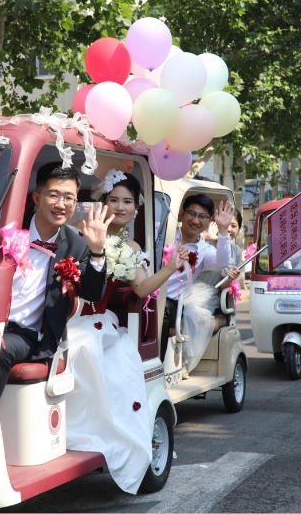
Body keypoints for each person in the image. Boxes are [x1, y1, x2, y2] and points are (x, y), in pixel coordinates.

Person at [65, 170, 188, 494]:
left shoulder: (130, 246)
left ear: (136, 207)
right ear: (103, 202)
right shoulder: (79, 233)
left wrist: (171, 267)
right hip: (69, 315)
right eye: (114, 199)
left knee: (97, 356)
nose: (120, 207)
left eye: (127, 201)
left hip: (99, 321)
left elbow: (142, 288)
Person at [0, 162, 111, 400]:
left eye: (69, 198)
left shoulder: (76, 245)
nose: (61, 204)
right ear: (37, 198)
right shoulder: (7, 229)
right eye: (54, 195)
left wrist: (97, 251)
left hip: (26, 334)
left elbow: (92, 293)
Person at [160, 194, 235, 363]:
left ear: (209, 222)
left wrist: (223, 230)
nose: (195, 220)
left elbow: (222, 261)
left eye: (202, 217)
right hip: (148, 291)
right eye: (191, 214)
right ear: (182, 214)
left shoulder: (205, 250)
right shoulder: (164, 234)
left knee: (162, 311)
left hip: (170, 301)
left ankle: (158, 364)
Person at [181, 212, 244, 375]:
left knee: (191, 313)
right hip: (188, 286)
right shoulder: (202, 239)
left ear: (239, 229)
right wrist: (208, 237)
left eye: (233, 226)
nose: (228, 229)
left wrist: (230, 279)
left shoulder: (236, 251)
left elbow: (224, 287)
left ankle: (185, 361)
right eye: (225, 224)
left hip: (209, 293)